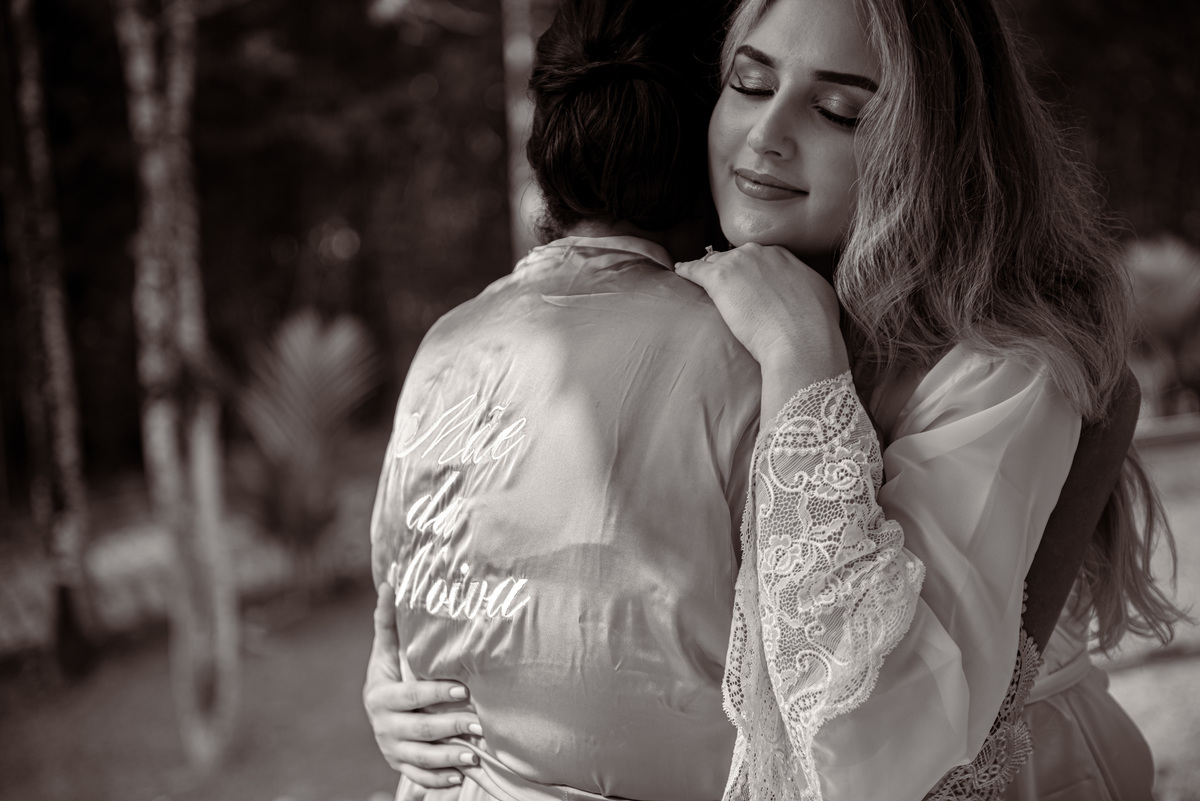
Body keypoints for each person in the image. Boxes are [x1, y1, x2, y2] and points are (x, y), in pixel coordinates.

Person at [367, 0, 1189, 798]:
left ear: (930, 144)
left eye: (838, 111)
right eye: (751, 85)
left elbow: (884, 741)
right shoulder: (697, 310)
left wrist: (803, 361)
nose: (766, 138)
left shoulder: (1001, 366)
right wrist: (411, 682)